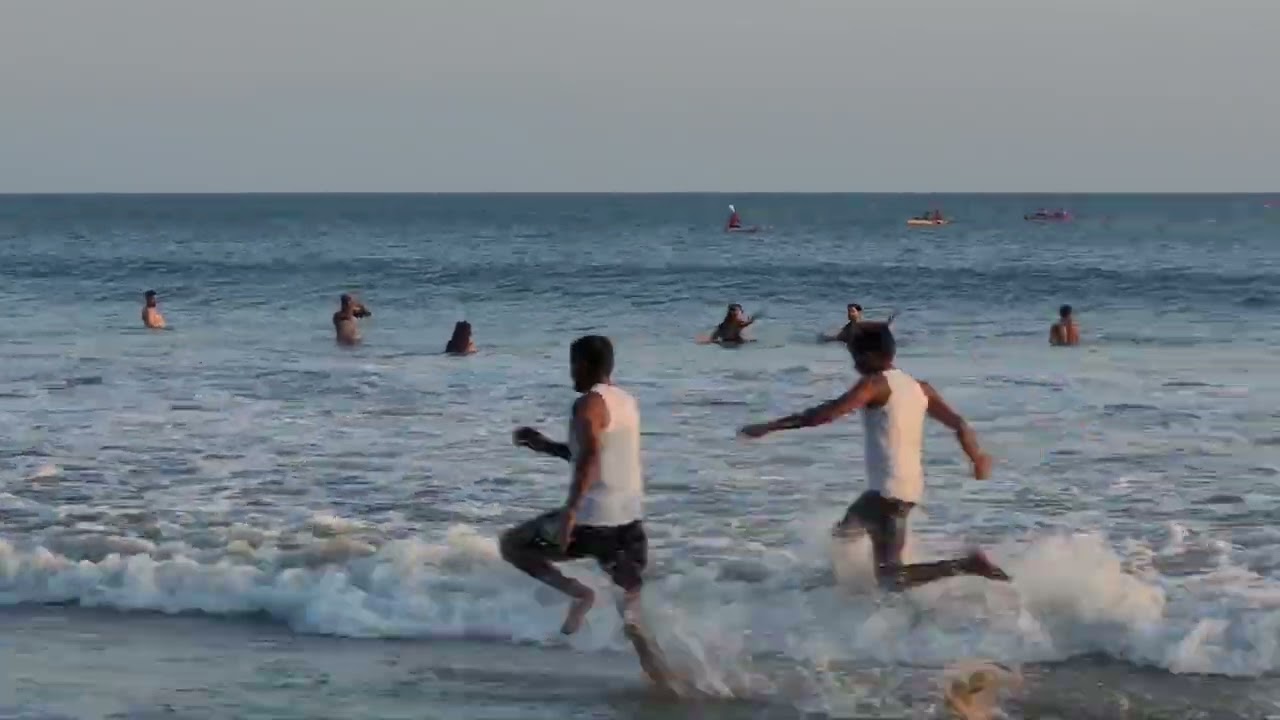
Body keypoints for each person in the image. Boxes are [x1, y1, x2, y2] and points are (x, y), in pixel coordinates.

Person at [738, 324, 1009, 591]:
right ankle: (839, 591)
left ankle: (967, 565)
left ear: (865, 356)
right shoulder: (919, 387)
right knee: (844, 536)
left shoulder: (875, 384)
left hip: (888, 495)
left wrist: (769, 427)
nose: (853, 363)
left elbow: (822, 415)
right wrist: (977, 458)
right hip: (904, 489)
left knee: (891, 578)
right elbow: (960, 424)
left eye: (854, 355)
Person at [500, 336, 672, 685]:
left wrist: (570, 513)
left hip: (594, 523)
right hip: (630, 524)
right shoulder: (626, 401)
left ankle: (579, 594)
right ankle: (669, 682)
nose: (570, 373)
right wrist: (545, 445)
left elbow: (591, 456)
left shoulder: (587, 405)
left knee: (513, 545)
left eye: (572, 364)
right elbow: (599, 456)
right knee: (633, 617)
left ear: (582, 364)